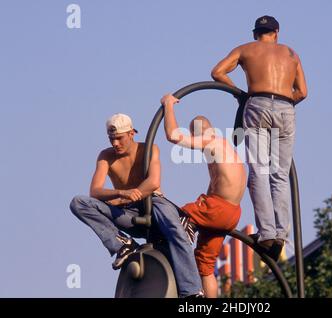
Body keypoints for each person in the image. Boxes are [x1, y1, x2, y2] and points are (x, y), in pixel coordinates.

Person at [69, 113, 203, 297]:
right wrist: (121, 194)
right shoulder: (106, 156)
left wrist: (127, 197)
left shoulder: (148, 149)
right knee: (79, 202)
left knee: (175, 228)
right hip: (128, 214)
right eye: (111, 139)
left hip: (154, 204)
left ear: (131, 133)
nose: (115, 143)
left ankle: (192, 292)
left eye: (119, 138)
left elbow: (153, 182)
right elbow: (95, 191)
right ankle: (122, 245)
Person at [211, 15, 308, 261]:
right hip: (286, 109)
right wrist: (283, 102)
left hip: (257, 105)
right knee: (280, 176)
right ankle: (281, 235)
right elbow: (303, 92)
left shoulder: (246, 49)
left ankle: (266, 233)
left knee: (259, 172)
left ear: (256, 33)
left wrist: (241, 94)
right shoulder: (291, 54)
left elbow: (217, 72)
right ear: (276, 32)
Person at [161, 94, 246, 298]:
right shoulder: (224, 153)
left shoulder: (213, 142)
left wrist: (168, 105)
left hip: (219, 207)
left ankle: (182, 235)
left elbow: (172, 135)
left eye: (194, 136)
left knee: (176, 215)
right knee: (205, 266)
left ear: (198, 133)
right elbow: (214, 190)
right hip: (231, 214)